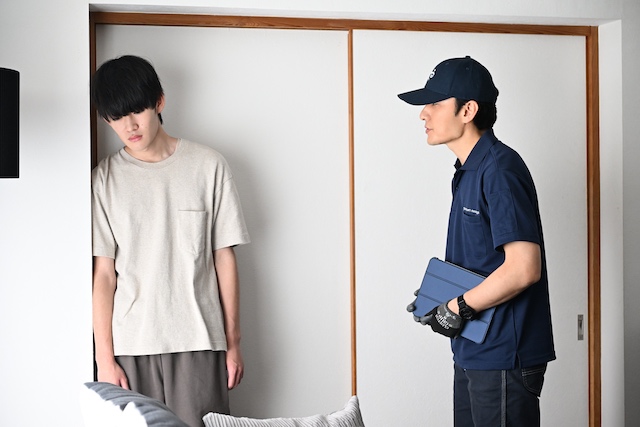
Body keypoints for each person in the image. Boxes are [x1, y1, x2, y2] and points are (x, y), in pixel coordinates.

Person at [90, 55, 250, 427]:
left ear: (159, 102)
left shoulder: (208, 166)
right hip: (131, 346)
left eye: (136, 111)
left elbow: (224, 258)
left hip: (199, 339)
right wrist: (104, 359)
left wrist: (234, 342)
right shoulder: (104, 181)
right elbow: (104, 276)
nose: (129, 125)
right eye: (116, 117)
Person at [399, 56, 555, 427]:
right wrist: (441, 297)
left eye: (435, 103)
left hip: (503, 355)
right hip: (473, 348)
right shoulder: (468, 171)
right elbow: (485, 261)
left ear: (467, 110)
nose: (423, 114)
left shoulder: (499, 169)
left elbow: (523, 268)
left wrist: (457, 306)